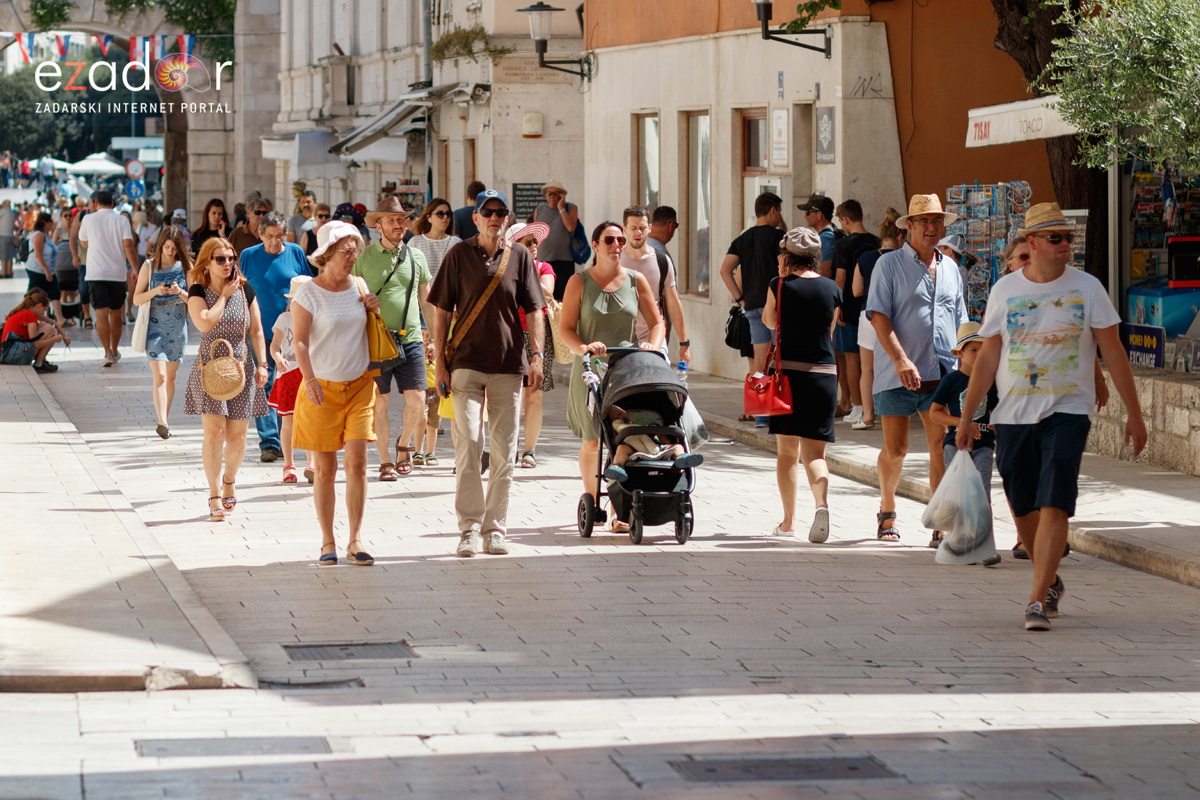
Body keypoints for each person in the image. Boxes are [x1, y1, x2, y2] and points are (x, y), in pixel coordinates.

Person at [956, 203, 1147, 631]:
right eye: (1057, 238)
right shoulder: (1006, 289)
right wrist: (969, 415)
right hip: (1014, 413)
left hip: (1068, 409)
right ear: (1033, 243)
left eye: (1069, 238)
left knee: (1055, 498)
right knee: (1022, 504)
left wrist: (1134, 413)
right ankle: (1050, 576)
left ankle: (1037, 600)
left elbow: (1112, 351)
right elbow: (988, 355)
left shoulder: (1089, 288)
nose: (1066, 246)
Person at [429, 189, 547, 557]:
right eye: (488, 212)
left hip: (508, 365)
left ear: (507, 219)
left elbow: (536, 310)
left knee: (504, 450)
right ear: (476, 218)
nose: (495, 218)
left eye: (501, 212)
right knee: (469, 444)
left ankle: (494, 528)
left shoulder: (521, 256)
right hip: (464, 363)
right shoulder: (459, 254)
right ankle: (468, 527)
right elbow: (442, 312)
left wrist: (537, 356)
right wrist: (442, 364)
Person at [865, 193, 967, 543]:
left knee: (940, 445)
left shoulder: (952, 267)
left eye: (936, 221)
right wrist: (901, 360)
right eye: (923, 221)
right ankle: (887, 507)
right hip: (898, 371)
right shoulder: (889, 265)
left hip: (942, 370)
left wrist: (968, 362)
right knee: (897, 449)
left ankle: (940, 520)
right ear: (908, 226)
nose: (930, 227)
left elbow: (961, 320)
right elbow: (879, 315)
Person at [558, 220, 665, 532]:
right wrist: (584, 348)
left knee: (624, 434)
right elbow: (565, 329)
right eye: (609, 240)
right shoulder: (579, 282)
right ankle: (594, 502)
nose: (617, 245)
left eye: (620, 240)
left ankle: (622, 506)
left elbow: (657, 323)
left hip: (626, 369)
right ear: (595, 245)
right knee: (593, 441)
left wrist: (652, 348)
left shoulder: (636, 280)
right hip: (590, 370)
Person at [291, 222, 380, 566]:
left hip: (359, 386)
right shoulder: (308, 293)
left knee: (357, 463)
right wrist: (309, 379)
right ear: (327, 254)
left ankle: (355, 539)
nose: (353, 257)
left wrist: (372, 307)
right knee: (325, 471)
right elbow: (300, 341)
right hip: (321, 390)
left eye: (356, 250)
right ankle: (327, 541)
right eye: (346, 251)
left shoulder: (359, 285)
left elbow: (371, 328)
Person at [760, 227, 841, 545]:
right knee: (815, 454)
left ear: (787, 256)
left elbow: (769, 321)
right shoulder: (832, 288)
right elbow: (830, 332)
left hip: (788, 377)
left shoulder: (778, 285)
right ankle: (821, 505)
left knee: (786, 452)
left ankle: (789, 521)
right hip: (824, 376)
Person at [183, 238, 270, 522]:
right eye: (220, 259)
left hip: (242, 368)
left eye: (231, 258)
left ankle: (230, 480)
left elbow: (256, 330)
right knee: (214, 433)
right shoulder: (198, 290)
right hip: (209, 370)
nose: (227, 264)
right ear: (207, 263)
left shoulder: (246, 290)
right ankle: (214, 493)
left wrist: (263, 364)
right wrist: (224, 296)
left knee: (238, 436)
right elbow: (205, 322)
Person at [354, 197, 433, 480]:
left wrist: (433, 337)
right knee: (381, 402)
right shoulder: (363, 258)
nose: (398, 224)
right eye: (391, 220)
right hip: (376, 340)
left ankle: (404, 444)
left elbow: (427, 300)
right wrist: (362, 302)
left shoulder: (416, 256)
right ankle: (385, 460)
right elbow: (349, 296)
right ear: (379, 225)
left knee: (417, 400)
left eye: (401, 219)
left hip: (410, 338)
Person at [239, 210, 313, 464]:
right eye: (270, 236)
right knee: (263, 382)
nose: (275, 241)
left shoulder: (295, 253)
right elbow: (240, 291)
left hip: (291, 332)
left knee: (288, 383)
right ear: (260, 234)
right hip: (259, 331)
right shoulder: (248, 256)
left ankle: (285, 436)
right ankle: (269, 443)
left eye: (280, 236)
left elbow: (308, 286)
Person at [929, 322, 1001, 565]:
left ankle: (983, 544)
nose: (980, 355)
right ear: (960, 354)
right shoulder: (951, 381)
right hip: (956, 445)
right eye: (973, 350)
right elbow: (934, 413)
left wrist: (996, 422)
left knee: (982, 494)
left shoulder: (993, 381)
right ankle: (961, 542)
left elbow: (998, 409)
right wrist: (961, 422)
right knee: (961, 495)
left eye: (984, 350)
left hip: (983, 444)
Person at [719, 192, 786, 421]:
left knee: (759, 361)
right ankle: (779, 409)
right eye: (779, 211)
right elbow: (784, 268)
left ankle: (760, 413)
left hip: (753, 308)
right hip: (776, 308)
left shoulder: (743, 238)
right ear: (773, 211)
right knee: (780, 358)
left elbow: (725, 270)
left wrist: (740, 299)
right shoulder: (779, 237)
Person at [505, 222, 556, 468]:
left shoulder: (543, 267)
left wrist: (527, 269)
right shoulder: (504, 268)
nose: (533, 246)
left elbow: (547, 290)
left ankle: (529, 450)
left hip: (537, 336)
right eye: (526, 243)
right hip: (510, 334)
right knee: (511, 394)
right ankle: (510, 446)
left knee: (534, 395)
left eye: (534, 242)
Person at [132, 226, 190, 439]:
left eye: (174, 248)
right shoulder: (149, 266)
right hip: (154, 327)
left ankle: (165, 418)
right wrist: (156, 290)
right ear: (160, 245)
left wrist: (180, 291)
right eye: (167, 247)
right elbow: (136, 299)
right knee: (160, 375)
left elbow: (194, 300)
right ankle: (162, 421)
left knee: (171, 377)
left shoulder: (185, 267)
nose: (170, 252)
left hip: (177, 328)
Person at [851, 208, 905, 432]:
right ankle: (898, 412)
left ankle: (867, 415)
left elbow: (856, 291)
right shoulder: (903, 260)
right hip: (895, 317)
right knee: (897, 363)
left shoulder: (865, 258)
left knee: (868, 369)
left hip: (868, 316)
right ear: (901, 237)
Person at [832, 200, 880, 426]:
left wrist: (836, 305)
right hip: (875, 305)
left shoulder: (843, 245)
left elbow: (840, 278)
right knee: (872, 361)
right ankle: (873, 405)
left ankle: (858, 406)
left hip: (850, 306)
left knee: (852, 358)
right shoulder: (876, 242)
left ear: (845, 220)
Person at [622, 205, 690, 365]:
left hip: (654, 337)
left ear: (649, 228)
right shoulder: (614, 260)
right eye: (633, 228)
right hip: (620, 339)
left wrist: (684, 342)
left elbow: (673, 303)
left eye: (642, 228)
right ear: (624, 229)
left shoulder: (661, 261)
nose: (638, 232)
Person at [78, 190, 138, 367]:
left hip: (96, 273)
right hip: (117, 273)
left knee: (100, 313)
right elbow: (128, 245)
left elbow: (83, 242)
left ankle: (106, 353)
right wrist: (135, 268)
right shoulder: (122, 220)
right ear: (113, 203)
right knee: (116, 313)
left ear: (96, 203)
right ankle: (114, 349)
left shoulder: (88, 219)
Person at [268, 275, 313, 483]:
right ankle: (289, 464)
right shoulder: (284, 319)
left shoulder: (318, 319)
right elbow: (275, 345)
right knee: (288, 421)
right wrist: (277, 358)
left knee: (312, 418)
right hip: (288, 374)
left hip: (311, 374)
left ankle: (311, 463)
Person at [602, 404, 701, 483]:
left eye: (621, 411)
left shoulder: (642, 422)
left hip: (657, 448)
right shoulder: (618, 427)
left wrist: (660, 435)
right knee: (621, 448)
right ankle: (617, 467)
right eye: (617, 416)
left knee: (677, 446)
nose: (622, 415)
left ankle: (681, 458)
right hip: (634, 451)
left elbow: (664, 441)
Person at [533, 180, 581, 301]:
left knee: (563, 297)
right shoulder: (539, 209)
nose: (553, 197)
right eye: (550, 194)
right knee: (544, 296)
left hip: (564, 260)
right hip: (543, 259)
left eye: (556, 194)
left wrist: (561, 208)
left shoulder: (570, 208)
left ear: (562, 195)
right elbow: (535, 232)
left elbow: (571, 227)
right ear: (545, 195)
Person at [1, 288, 67, 372]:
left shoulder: (24, 311)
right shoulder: (29, 315)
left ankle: (40, 362)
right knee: (49, 328)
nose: (43, 313)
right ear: (39, 306)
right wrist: (54, 339)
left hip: (7, 353)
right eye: (44, 310)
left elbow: (54, 323)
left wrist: (64, 336)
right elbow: (36, 344)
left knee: (45, 326)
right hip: (12, 355)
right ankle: (39, 364)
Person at [409, 197, 462, 280]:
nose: (445, 217)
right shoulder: (415, 243)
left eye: (448, 214)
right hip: (423, 293)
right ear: (429, 217)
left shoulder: (457, 243)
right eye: (440, 214)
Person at [24, 212, 61, 322]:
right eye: (50, 222)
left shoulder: (47, 236)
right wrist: (46, 271)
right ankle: (26, 315)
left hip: (49, 270)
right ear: (45, 223)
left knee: (54, 293)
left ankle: (60, 319)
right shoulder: (39, 235)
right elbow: (37, 254)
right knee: (34, 295)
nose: (52, 224)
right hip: (37, 270)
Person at [0, 199, 17, 278]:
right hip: (10, 235)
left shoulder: (3, 211)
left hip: (3, 235)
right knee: (9, 255)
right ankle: (9, 272)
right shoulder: (11, 212)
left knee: (3, 254)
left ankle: (4, 272)